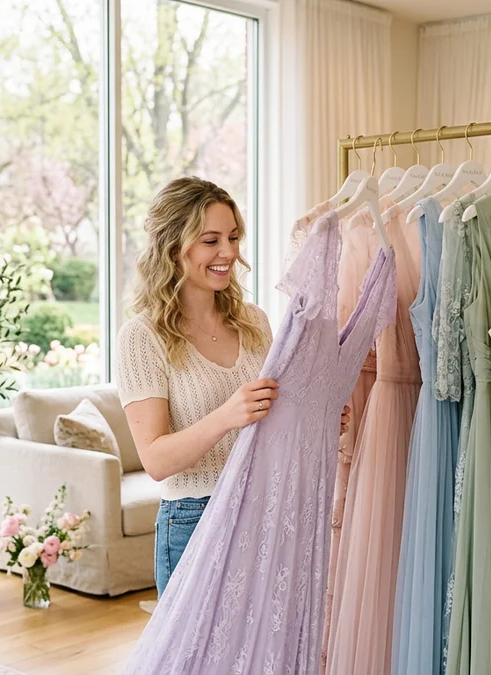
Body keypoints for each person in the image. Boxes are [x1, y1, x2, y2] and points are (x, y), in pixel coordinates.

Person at [116, 177, 349, 596]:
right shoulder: (141, 337)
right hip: (193, 519)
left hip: (266, 510)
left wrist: (319, 417)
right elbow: (155, 459)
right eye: (211, 240)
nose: (228, 252)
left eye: (233, 237)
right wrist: (227, 415)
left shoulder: (254, 321)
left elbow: (271, 421)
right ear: (174, 248)